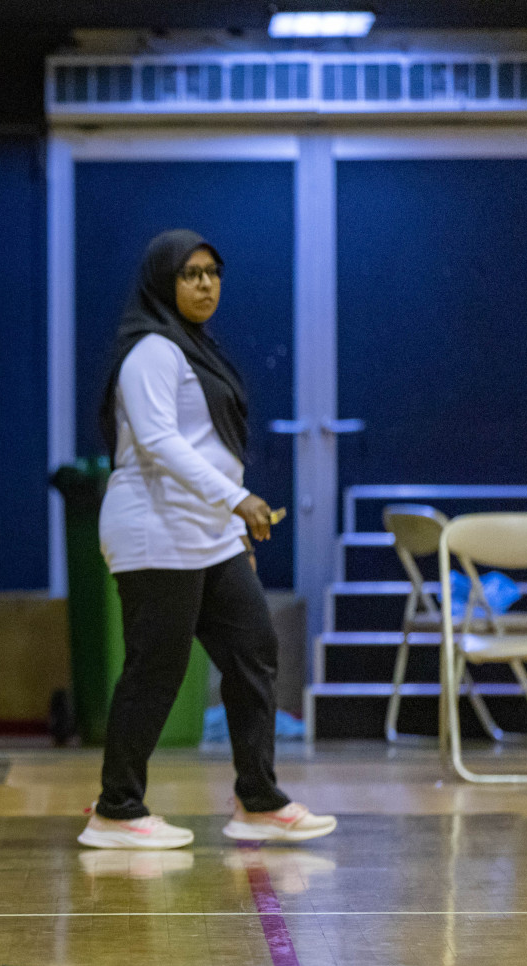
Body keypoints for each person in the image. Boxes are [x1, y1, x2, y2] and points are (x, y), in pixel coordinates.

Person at [80, 228, 337, 850]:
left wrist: (230, 523)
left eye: (213, 273)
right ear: (163, 282)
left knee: (254, 649)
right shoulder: (151, 351)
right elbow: (162, 444)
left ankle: (258, 799)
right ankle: (116, 810)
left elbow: (211, 450)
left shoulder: (195, 349)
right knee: (157, 669)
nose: (205, 285)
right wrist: (240, 502)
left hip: (207, 531)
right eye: (191, 274)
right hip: (154, 527)